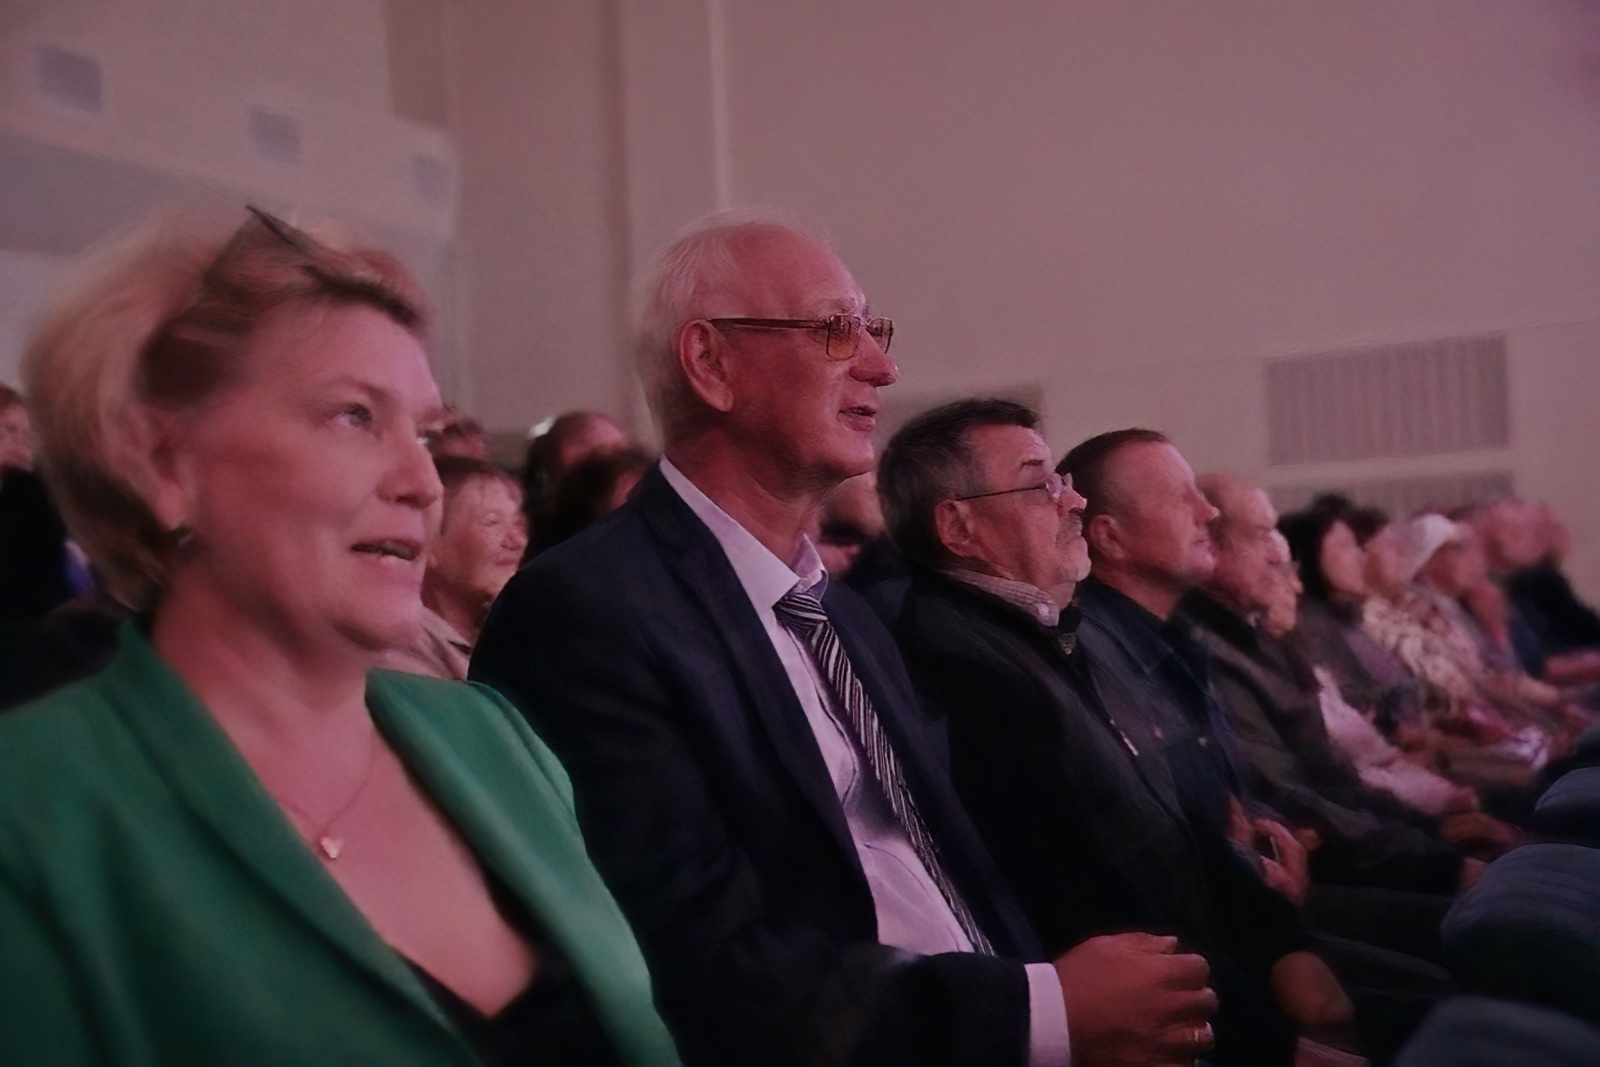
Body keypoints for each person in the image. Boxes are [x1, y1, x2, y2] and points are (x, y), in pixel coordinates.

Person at [473, 213, 1216, 1067]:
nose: (881, 366)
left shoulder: (847, 616)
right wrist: (1039, 1012)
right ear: (712, 363)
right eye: (835, 328)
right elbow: (691, 966)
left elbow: (953, 875)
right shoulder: (589, 612)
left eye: (872, 329)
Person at [0, 208, 679, 1067]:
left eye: (424, 433)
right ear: (165, 462)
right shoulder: (32, 812)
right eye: (354, 416)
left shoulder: (492, 738)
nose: (422, 482)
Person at [882, 399, 1344, 1066]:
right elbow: (1100, 900)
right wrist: (1272, 1041)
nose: (1072, 500)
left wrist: (1281, 943)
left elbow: (1173, 828)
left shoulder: (1050, 630)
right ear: (959, 525)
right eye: (1041, 483)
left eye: (1063, 480)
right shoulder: (958, 666)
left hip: (1227, 971)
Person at [383, 456, 528, 680]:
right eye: (492, 522)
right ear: (428, 544)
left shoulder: (510, 633)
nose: (517, 540)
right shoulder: (400, 660)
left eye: (519, 524)